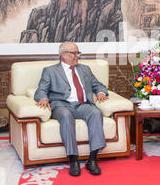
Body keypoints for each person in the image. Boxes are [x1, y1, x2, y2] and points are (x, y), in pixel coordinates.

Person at [34, 42, 108, 177]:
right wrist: (43, 98)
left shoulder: (85, 69)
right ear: (63, 55)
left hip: (81, 105)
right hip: (61, 105)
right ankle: (73, 159)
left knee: (96, 112)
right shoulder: (50, 71)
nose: (77, 56)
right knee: (66, 116)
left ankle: (92, 159)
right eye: (74, 53)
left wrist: (101, 93)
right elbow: (41, 90)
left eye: (78, 53)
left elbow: (98, 85)